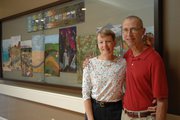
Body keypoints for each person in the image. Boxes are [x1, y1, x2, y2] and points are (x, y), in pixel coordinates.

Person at [121, 15, 168, 120]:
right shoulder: (126, 56)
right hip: (125, 115)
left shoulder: (154, 59)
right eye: (125, 30)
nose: (129, 34)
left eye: (133, 29)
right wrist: (89, 62)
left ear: (143, 31)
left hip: (144, 117)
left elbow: (162, 100)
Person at [82, 28, 126, 120]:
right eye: (101, 42)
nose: (104, 45)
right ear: (97, 45)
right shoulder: (90, 64)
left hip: (115, 110)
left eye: (108, 41)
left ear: (114, 43)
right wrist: (90, 118)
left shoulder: (123, 63)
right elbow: (85, 94)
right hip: (95, 110)